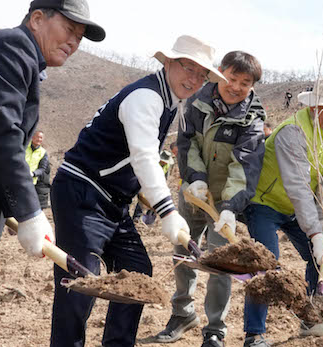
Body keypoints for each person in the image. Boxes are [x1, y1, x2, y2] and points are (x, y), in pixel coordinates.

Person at [50, 35, 225, 347]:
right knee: (81, 284)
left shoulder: (170, 101)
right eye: (189, 68)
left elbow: (133, 159)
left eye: (202, 75)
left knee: (137, 271)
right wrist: (168, 211)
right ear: (169, 63)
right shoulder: (147, 97)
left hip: (113, 201)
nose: (195, 79)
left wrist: (147, 197)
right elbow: (144, 156)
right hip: (83, 191)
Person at [154, 51, 266, 347]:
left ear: (252, 86)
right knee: (182, 252)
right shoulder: (196, 102)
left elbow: (244, 166)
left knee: (221, 265)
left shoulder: (252, 118)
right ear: (219, 72)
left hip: (224, 202)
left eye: (245, 82)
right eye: (232, 77)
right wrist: (196, 179)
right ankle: (182, 313)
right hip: (193, 191)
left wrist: (229, 208)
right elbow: (187, 141)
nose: (236, 86)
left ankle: (215, 328)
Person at [242, 76, 323, 347]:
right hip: (264, 203)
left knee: (321, 258)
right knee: (265, 263)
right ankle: (254, 334)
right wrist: (314, 231)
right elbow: (298, 185)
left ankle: (312, 319)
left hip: (294, 208)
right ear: (313, 106)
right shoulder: (293, 131)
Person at [0, 0, 104, 252]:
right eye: (69, 29)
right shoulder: (13, 47)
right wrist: (29, 212)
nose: (74, 43)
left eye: (79, 37)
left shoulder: (25, 59)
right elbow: (2, 135)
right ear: (37, 19)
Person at [25, 130, 51, 208]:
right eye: (38, 137)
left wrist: (33, 173)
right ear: (32, 137)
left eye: (41, 138)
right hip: (18, 179)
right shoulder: (24, 147)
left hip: (31, 182)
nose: (39, 139)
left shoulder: (43, 152)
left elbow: (42, 169)